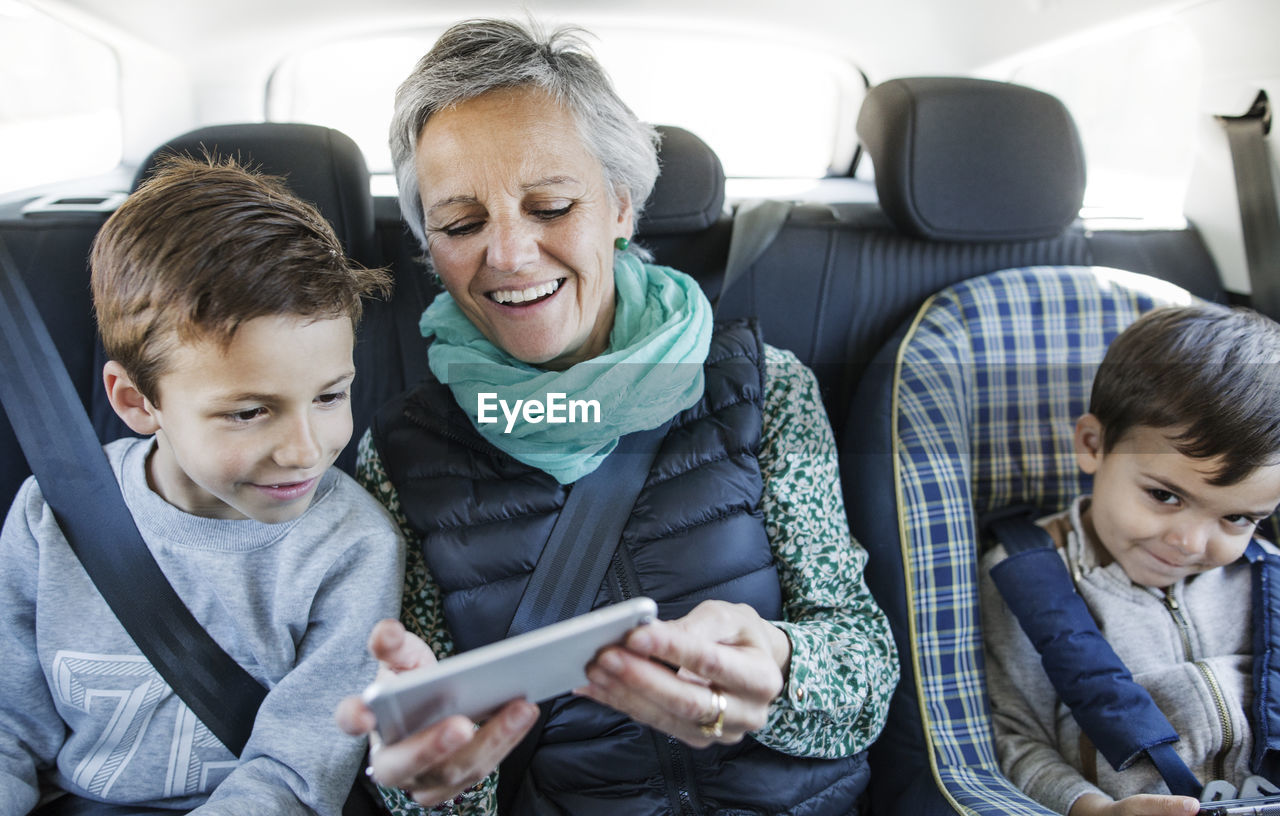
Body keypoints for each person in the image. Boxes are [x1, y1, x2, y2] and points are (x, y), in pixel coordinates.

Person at [333, 17, 898, 816]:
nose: (510, 255)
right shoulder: (398, 456)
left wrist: (780, 667)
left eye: (552, 206)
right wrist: (437, 782)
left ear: (621, 207)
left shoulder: (765, 389)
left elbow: (865, 670)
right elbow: (435, 759)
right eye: (461, 225)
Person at [0, 155, 405, 815]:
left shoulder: (352, 548)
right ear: (137, 402)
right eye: (249, 412)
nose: (306, 450)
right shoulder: (54, 514)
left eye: (331, 396)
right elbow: (8, 726)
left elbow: (294, 775)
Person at [980, 304, 1280, 816]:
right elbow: (1010, 737)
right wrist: (1089, 808)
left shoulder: (1263, 573)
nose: (1189, 542)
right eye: (1165, 496)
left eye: (1236, 518)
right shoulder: (1024, 578)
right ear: (1093, 445)